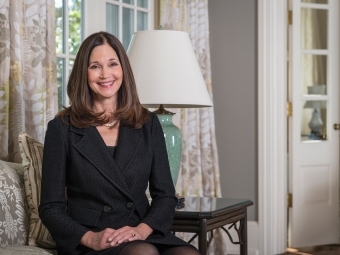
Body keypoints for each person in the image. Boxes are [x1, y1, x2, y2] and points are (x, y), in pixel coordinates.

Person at [38, 31, 201, 255]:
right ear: (83, 73)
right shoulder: (62, 128)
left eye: (112, 64)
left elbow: (165, 196)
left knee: (187, 253)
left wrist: (142, 230)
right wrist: (90, 238)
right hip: (93, 237)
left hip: (139, 229)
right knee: (143, 253)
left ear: (123, 69)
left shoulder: (147, 123)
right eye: (95, 66)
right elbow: (51, 208)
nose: (105, 74)